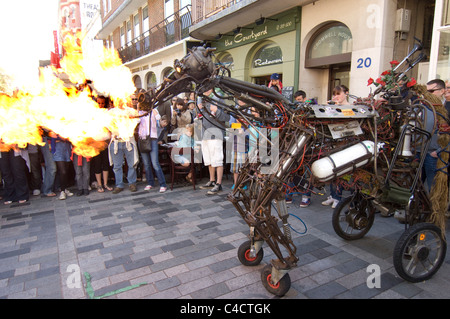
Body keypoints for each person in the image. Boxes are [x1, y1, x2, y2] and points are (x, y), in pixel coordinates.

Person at [198, 89, 230, 195]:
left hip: (216, 134)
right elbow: (198, 116)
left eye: (207, 88)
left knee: (217, 160)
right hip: (205, 134)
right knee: (209, 160)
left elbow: (227, 117)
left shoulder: (219, 97)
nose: (205, 90)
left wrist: (217, 110)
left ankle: (218, 183)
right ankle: (212, 180)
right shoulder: (202, 100)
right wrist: (198, 109)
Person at [321, 85, 348, 208]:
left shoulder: (350, 108)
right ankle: (333, 195)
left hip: (344, 142)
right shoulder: (334, 107)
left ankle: (338, 197)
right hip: (333, 141)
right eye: (334, 94)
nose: (336, 97)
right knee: (332, 168)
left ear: (346, 93)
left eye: (338, 93)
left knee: (340, 170)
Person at [108, 99, 140, 194]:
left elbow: (137, 120)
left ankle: (132, 183)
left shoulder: (131, 111)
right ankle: (119, 185)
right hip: (116, 142)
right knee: (117, 166)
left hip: (128, 141)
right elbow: (107, 124)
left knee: (132, 164)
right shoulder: (112, 112)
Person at [420, 79, 446, 190]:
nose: (427, 94)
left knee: (433, 187)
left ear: (442, 91)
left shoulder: (446, 109)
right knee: (418, 188)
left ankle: (435, 207)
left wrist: (439, 151)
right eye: (426, 91)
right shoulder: (424, 107)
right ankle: (420, 206)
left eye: (431, 91)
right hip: (420, 152)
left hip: (434, 154)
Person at [138, 106, 168, 193]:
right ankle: (150, 182)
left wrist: (155, 113)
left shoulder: (153, 111)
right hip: (142, 138)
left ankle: (162, 184)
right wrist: (137, 110)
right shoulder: (140, 112)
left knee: (155, 163)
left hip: (152, 138)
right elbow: (136, 121)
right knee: (146, 163)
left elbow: (159, 122)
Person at [91, 95, 113, 192]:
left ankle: (105, 183)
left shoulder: (107, 113)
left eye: (102, 103)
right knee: (97, 164)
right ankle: (99, 184)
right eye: (99, 103)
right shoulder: (92, 113)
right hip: (96, 142)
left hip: (105, 142)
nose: (100, 105)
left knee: (105, 163)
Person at [49, 132, 74, 200]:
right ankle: (62, 191)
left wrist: (62, 138)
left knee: (66, 170)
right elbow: (53, 136)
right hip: (58, 149)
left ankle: (65, 189)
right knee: (63, 171)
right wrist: (62, 138)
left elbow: (71, 137)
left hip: (67, 149)